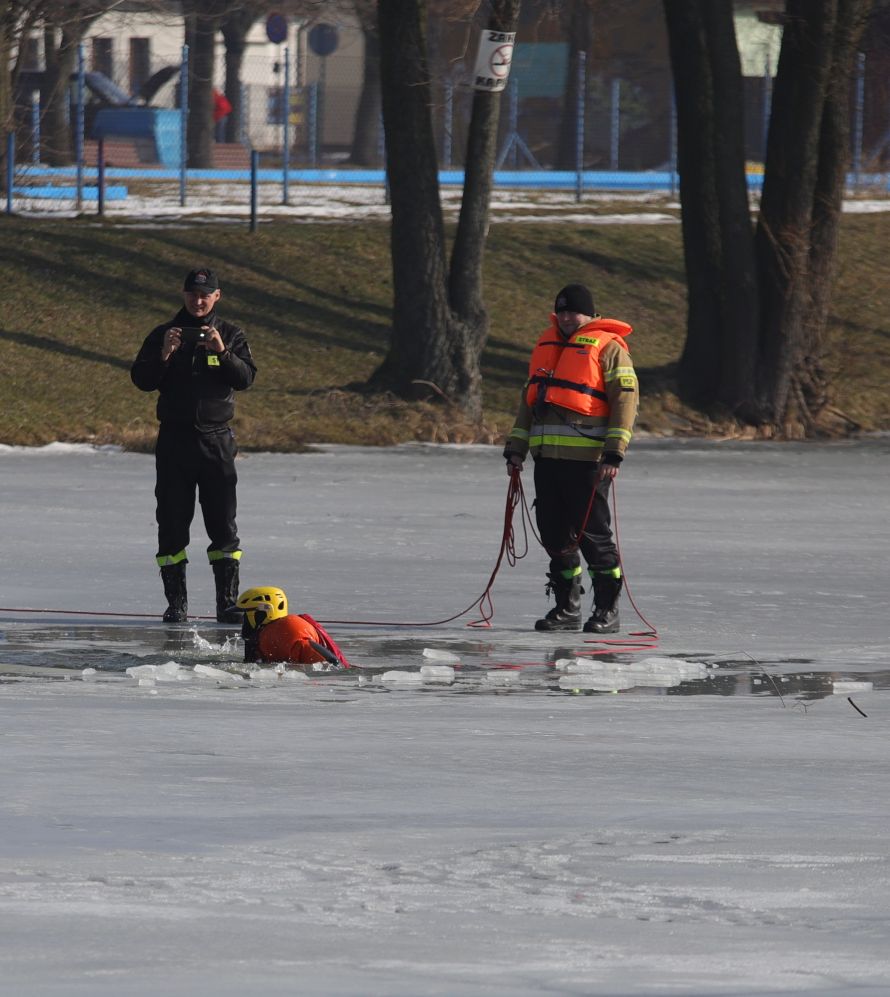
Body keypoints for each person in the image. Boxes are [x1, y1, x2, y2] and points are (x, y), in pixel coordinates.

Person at [502, 283, 638, 634]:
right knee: (554, 535)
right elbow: (528, 402)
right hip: (547, 460)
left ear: (590, 314)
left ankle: (607, 608)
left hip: (589, 463)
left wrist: (614, 453)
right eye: (560, 312)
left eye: (572, 312)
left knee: (593, 536)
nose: (565, 318)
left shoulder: (608, 348)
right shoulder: (546, 348)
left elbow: (625, 401)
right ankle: (567, 607)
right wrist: (516, 448)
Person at [131, 268, 257, 623]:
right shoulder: (163, 334)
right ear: (183, 294)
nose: (197, 301)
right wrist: (165, 355)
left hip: (216, 441)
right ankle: (177, 605)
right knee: (171, 524)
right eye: (192, 294)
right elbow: (141, 380)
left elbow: (245, 378)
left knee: (223, 525)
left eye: (205, 295)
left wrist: (223, 351)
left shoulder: (231, 334)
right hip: (174, 442)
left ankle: (227, 603)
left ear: (217, 296)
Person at [234, 587, 350, 670]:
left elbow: (333, 664)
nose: (244, 622)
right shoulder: (264, 634)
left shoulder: (286, 630)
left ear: (264, 612)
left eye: (246, 614)